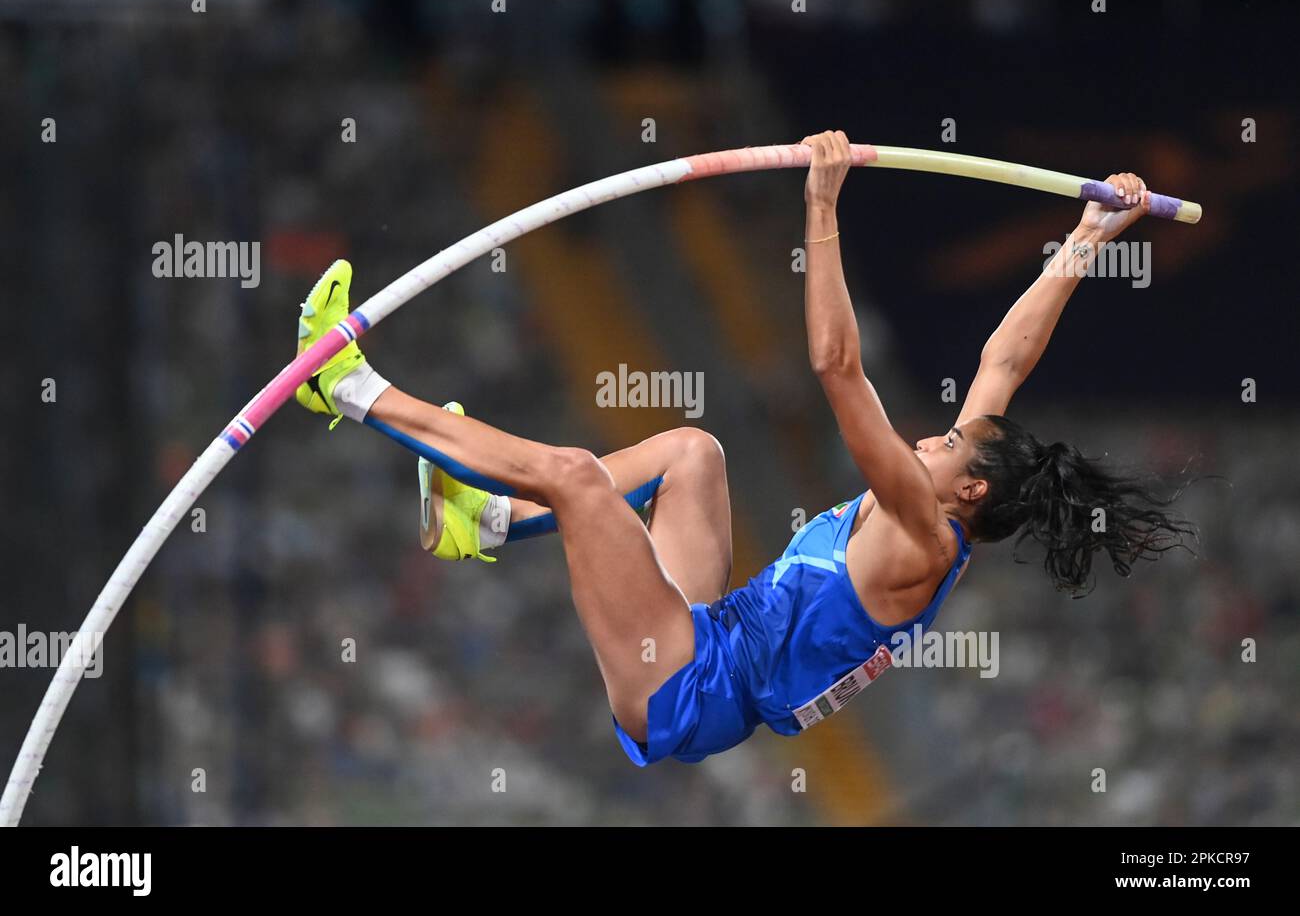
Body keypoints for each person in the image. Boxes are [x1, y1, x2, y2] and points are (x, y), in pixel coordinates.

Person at [291, 130, 1194, 766]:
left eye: (949, 444)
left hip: (686, 686)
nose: (931, 436)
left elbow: (839, 367)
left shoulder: (921, 532)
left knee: (576, 478)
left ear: (966, 496)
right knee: (694, 453)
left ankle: (348, 387)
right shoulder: (948, 501)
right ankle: (480, 520)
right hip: (710, 639)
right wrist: (1083, 239)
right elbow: (1007, 358)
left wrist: (822, 203)